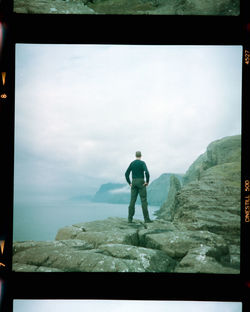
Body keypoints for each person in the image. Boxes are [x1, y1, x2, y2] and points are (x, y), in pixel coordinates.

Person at [125, 151, 152, 223]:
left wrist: (129, 183)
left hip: (133, 182)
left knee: (132, 201)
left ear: (135, 155)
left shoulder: (132, 163)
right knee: (143, 201)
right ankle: (146, 219)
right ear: (141, 156)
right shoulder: (142, 163)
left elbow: (126, 173)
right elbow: (147, 172)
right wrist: (147, 181)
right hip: (141, 182)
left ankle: (129, 219)